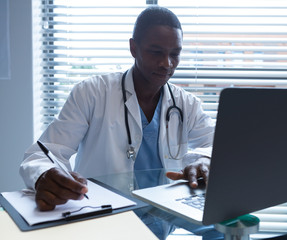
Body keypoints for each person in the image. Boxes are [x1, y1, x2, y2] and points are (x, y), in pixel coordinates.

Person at [20, 6, 215, 211]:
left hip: (165, 218)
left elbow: (219, 145)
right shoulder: (92, 93)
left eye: (175, 54)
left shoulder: (186, 104)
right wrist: (44, 174)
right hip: (103, 216)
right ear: (133, 48)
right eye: (156, 52)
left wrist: (203, 159)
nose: (167, 63)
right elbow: (43, 153)